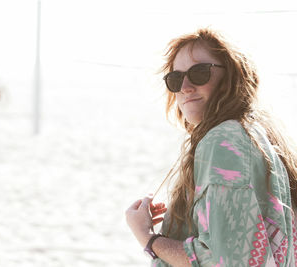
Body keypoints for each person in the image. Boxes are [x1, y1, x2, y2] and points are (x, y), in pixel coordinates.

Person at [125, 28, 297, 266]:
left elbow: (221, 259)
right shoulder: (261, 135)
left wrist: (148, 238)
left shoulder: (224, 139)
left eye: (199, 73)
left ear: (233, 75)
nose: (184, 87)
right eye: (175, 79)